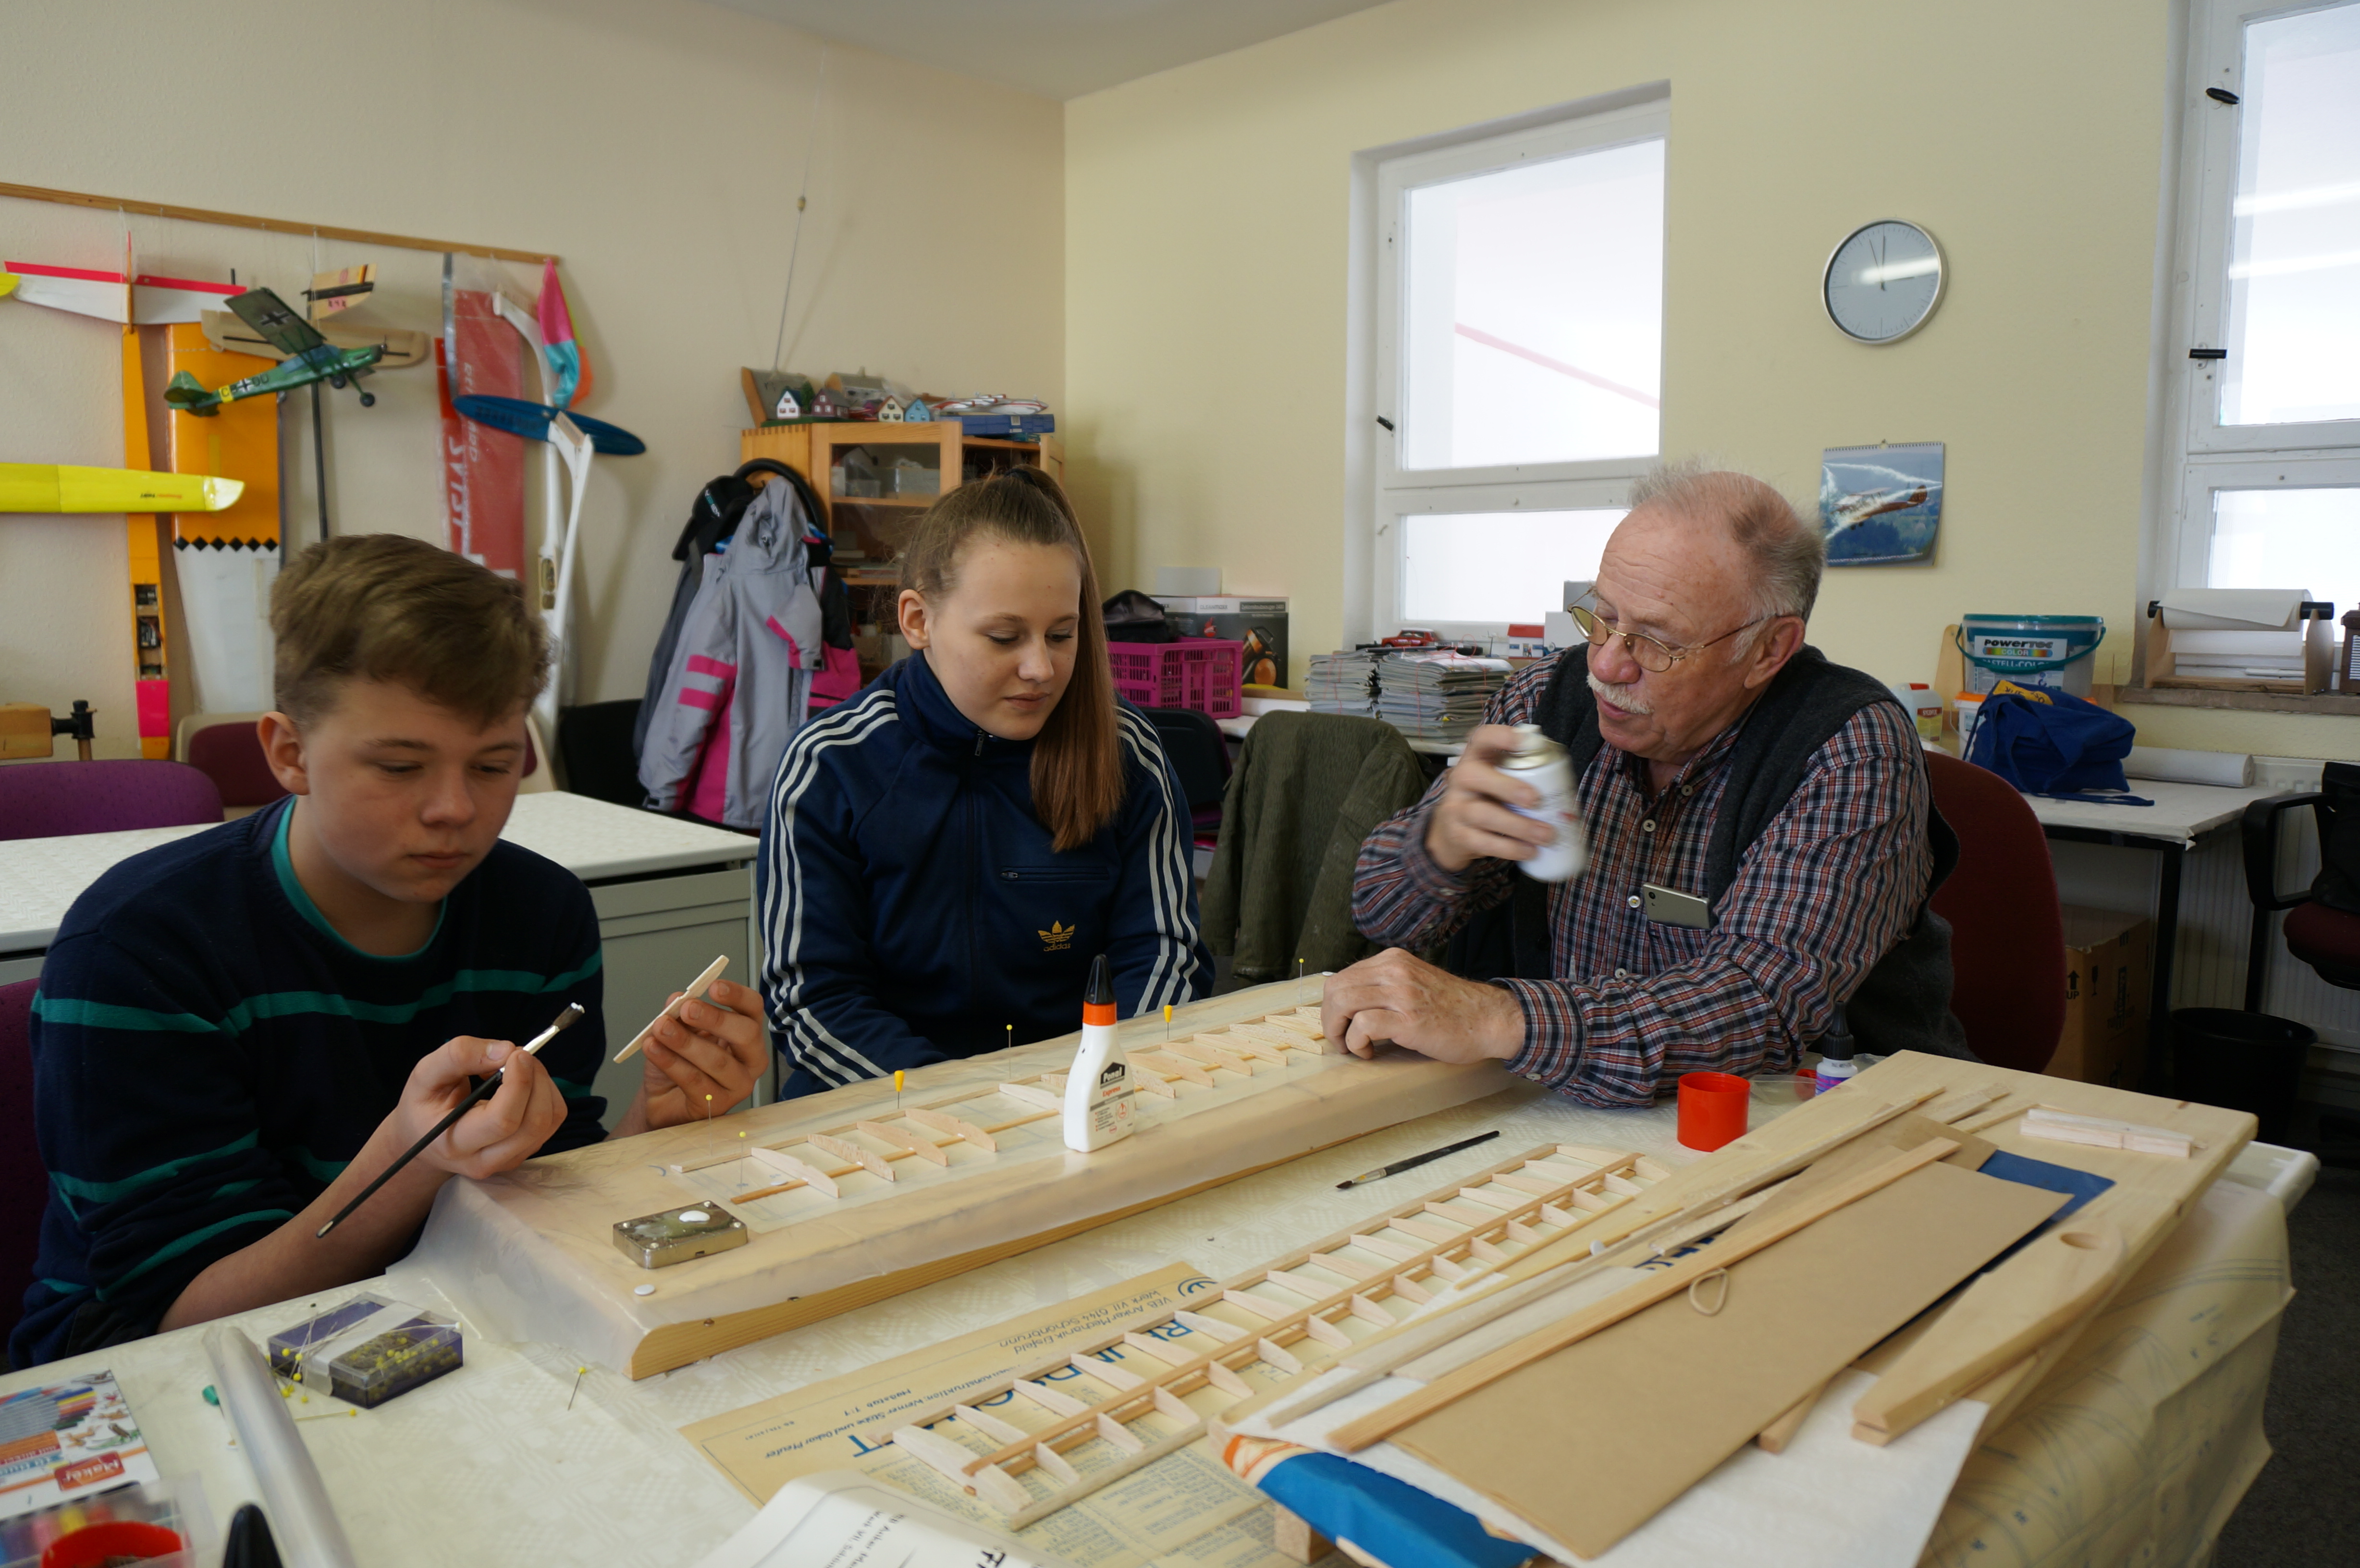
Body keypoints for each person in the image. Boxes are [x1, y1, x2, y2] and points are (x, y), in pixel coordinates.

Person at [12, 536, 768, 1371]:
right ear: (290, 752)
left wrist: (652, 1123)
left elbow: (535, 1200)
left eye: (493, 764)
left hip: (447, 1307)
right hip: (159, 1363)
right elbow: (188, 1312)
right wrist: (410, 1163)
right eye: (401, 766)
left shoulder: (540, 912)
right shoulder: (137, 949)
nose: (454, 809)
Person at [1329, 461, 1969, 1105]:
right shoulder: (1548, 701)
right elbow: (1379, 913)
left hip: (1808, 1113)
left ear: (1770, 649)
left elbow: (1757, 1006)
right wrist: (1438, 850)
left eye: (1658, 643)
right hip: (1564, 1104)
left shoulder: (1848, 748)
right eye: (1602, 617)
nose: (1606, 664)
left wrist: (1497, 1019)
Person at [758, 466, 1208, 1097]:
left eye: (1062, 634)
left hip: (1079, 1105)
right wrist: (968, 1108)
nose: (1041, 669)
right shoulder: (830, 766)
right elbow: (811, 1003)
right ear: (917, 621)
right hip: (885, 1117)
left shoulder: (1127, 752)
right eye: (1004, 637)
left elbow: (1162, 959)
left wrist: (1094, 1089)